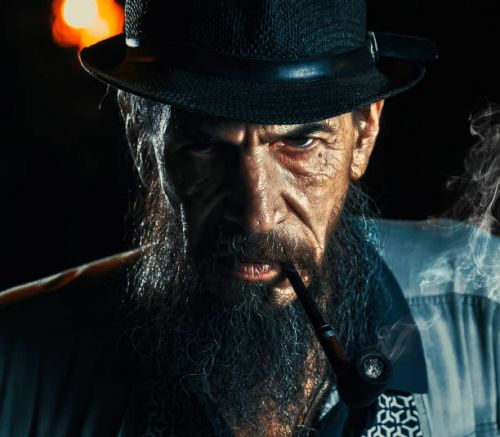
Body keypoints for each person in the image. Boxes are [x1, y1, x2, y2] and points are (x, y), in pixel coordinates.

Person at [0, 0, 498, 436]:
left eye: (300, 142)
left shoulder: (487, 318)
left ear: (364, 132)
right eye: (204, 146)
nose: (258, 218)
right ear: (142, 140)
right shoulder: (17, 366)